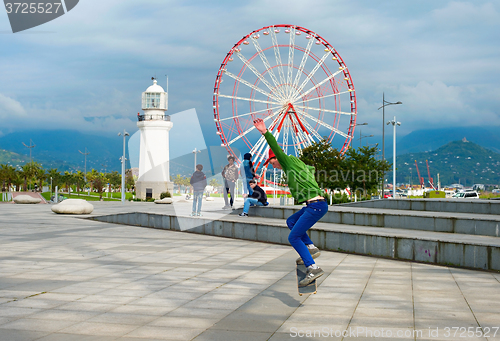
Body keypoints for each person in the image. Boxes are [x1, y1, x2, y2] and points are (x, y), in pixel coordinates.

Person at [253, 118, 328, 286]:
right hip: (316, 205)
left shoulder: (286, 161)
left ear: (277, 158)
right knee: (291, 221)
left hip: (315, 206)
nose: (273, 167)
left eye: (272, 163)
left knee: (293, 237)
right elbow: (311, 169)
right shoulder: (298, 164)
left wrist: (264, 132)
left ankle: (313, 267)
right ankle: (310, 248)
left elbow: (276, 148)